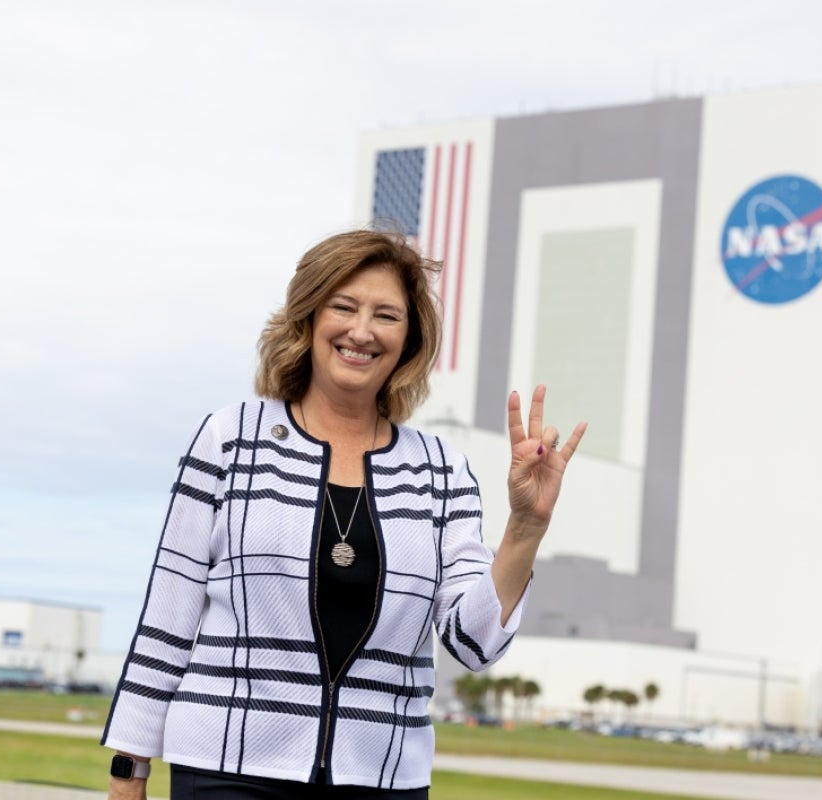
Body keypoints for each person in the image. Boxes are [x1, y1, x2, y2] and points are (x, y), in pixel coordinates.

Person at [101, 228, 586, 799]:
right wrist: (129, 770)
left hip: (382, 777)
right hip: (226, 766)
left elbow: (474, 643)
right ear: (307, 319)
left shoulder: (441, 471)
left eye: (386, 315)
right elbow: (169, 611)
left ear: (409, 341)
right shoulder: (231, 438)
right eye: (343, 307)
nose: (361, 331)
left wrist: (525, 528)